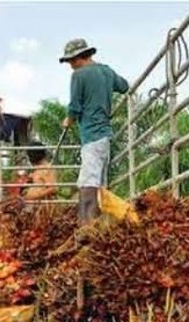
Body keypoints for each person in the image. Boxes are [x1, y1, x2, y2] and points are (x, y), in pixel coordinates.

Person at [60, 38, 129, 223]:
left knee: (87, 184)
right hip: (105, 137)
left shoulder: (79, 75)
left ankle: (85, 229)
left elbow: (75, 106)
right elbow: (124, 86)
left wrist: (68, 120)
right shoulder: (106, 71)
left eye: (70, 62)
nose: (71, 66)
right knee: (99, 185)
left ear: (77, 58)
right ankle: (99, 229)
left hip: (91, 136)